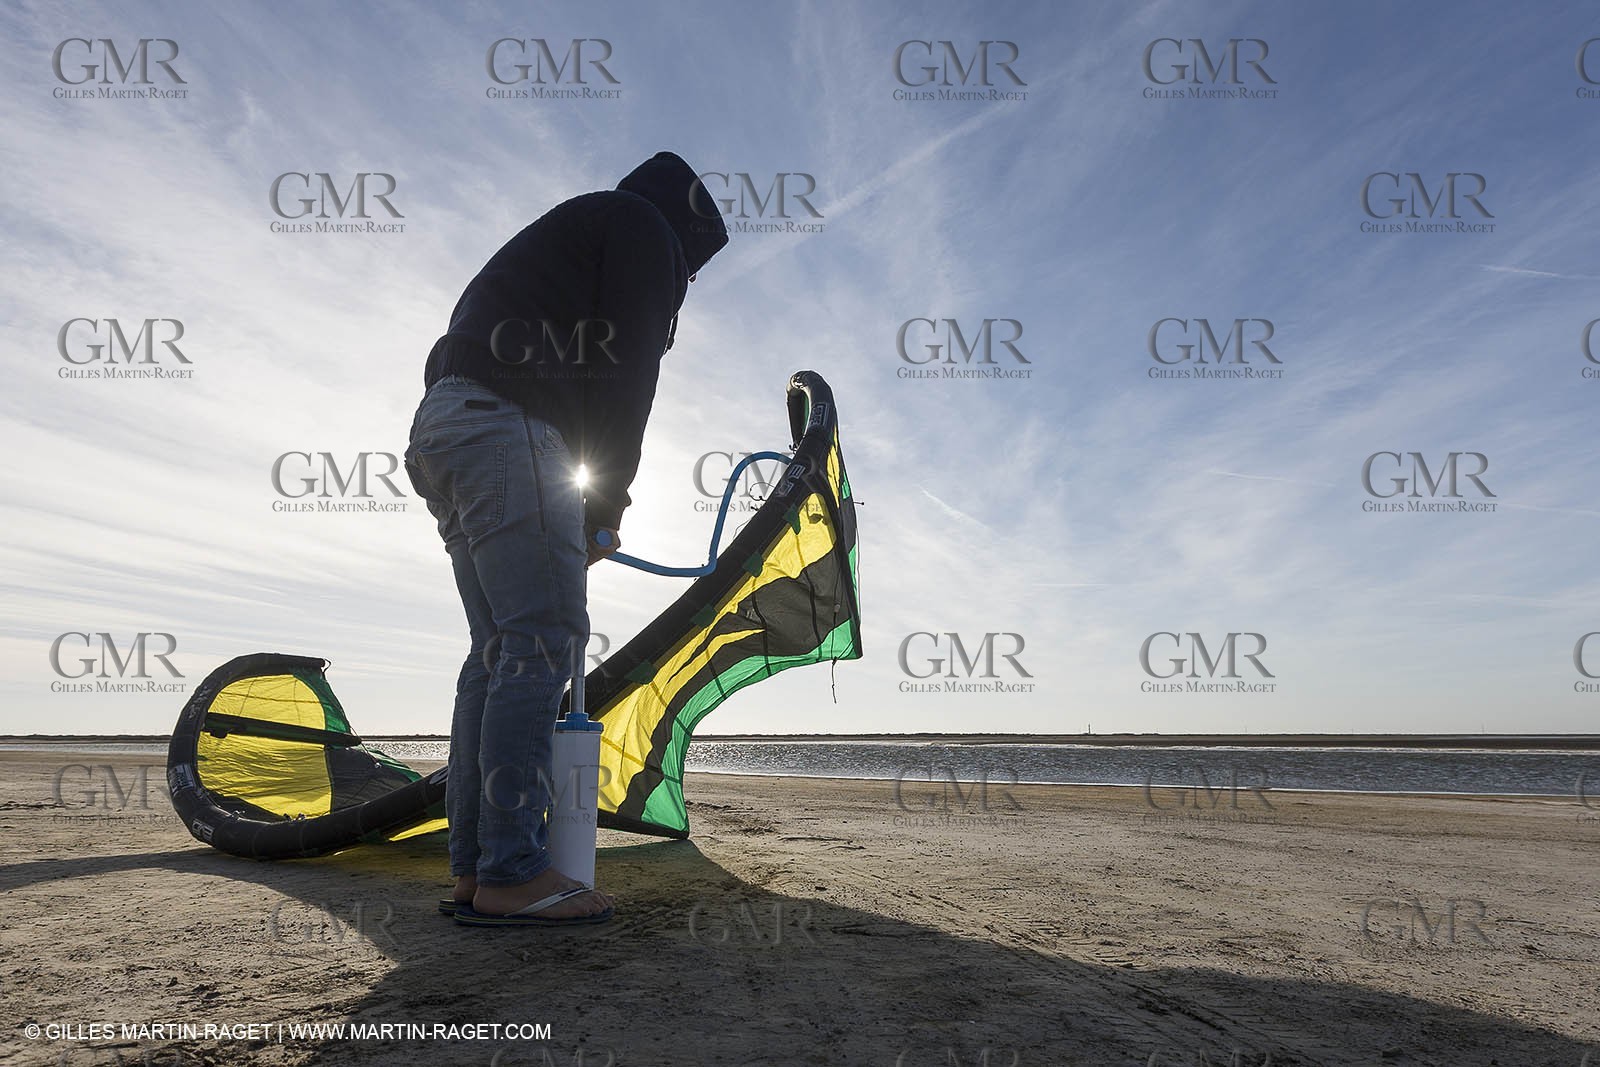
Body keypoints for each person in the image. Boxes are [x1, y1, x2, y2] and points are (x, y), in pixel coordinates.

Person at [404, 151, 729, 926]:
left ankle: (476, 868)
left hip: (444, 427)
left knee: (498, 648)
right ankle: (513, 870)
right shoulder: (643, 229)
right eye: (690, 272)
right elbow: (629, 367)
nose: (683, 283)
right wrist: (605, 504)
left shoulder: (573, 231)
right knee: (543, 637)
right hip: (503, 425)